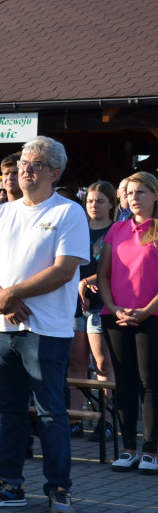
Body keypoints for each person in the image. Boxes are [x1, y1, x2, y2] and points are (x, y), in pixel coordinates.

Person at [0, 136, 88, 513]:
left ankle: (60, 489)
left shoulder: (68, 212)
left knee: (51, 411)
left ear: (54, 173)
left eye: (35, 164)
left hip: (46, 330)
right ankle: (10, 485)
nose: (24, 169)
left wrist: (11, 294)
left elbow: (64, 269)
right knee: (8, 410)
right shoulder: (2, 213)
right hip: (2, 328)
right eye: (23, 162)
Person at [98, 172, 158, 474]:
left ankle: (150, 450)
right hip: (116, 317)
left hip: (152, 317)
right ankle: (128, 449)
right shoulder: (116, 230)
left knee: (150, 383)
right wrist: (112, 307)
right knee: (124, 383)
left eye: (142, 192)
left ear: (155, 196)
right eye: (131, 193)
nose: (135, 198)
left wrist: (147, 310)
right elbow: (104, 274)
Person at [76, 181, 117, 441]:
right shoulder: (77, 228)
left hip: (102, 304)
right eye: (90, 200)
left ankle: (108, 419)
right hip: (73, 305)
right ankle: (74, 418)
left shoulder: (116, 231)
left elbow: (118, 270)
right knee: (75, 363)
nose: (94, 205)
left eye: (100, 201)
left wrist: (87, 282)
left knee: (103, 363)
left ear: (112, 204)